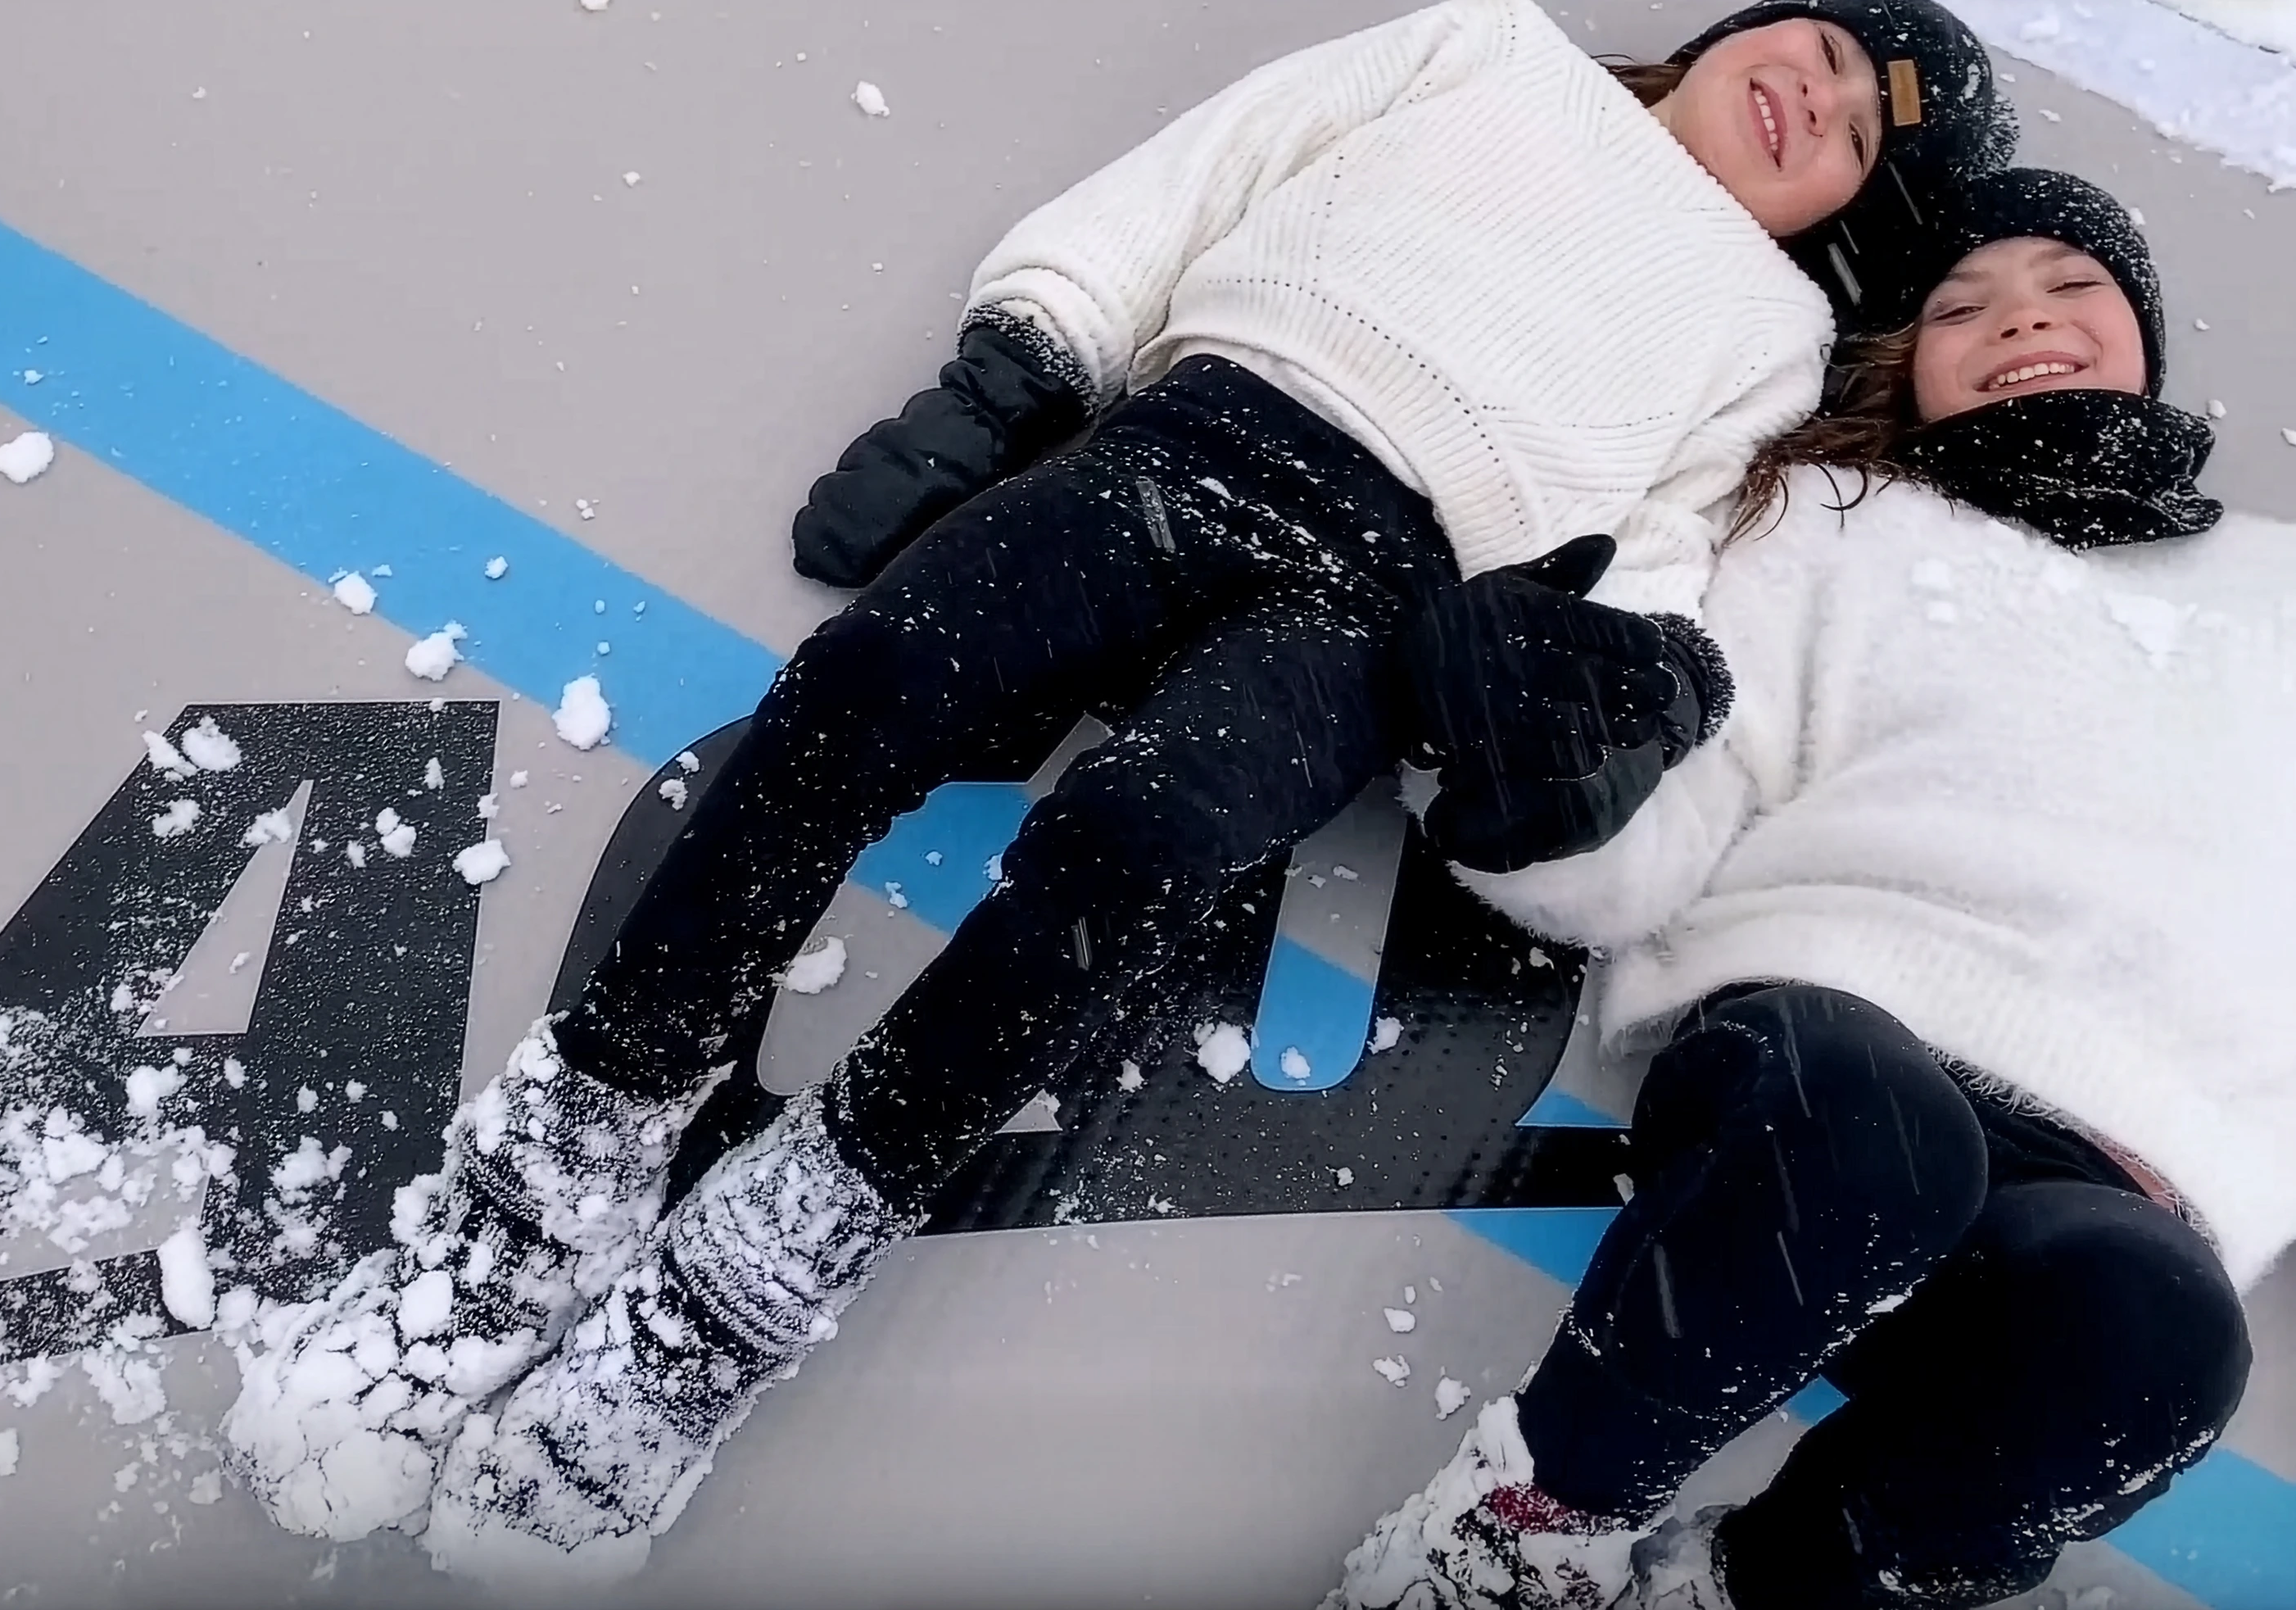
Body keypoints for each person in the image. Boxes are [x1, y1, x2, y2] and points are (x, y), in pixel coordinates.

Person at [221, 0, 2014, 1579]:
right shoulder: (1485, 49)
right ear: (1727, 33)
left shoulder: (1761, 330)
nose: (1818, 102)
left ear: (1836, 223)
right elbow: (1199, 174)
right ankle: (555, 1165)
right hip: (1196, 429)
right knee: (873, 678)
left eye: (1855, 140)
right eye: (1827, 51)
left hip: (1379, 604)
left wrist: (1606, 699)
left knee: (1148, 842)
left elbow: (1665, 564)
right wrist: (1020, 365)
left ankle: (743, 1282)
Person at [1334, 167, 2280, 1610]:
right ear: (1913, 360)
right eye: (1964, 304)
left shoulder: (2281, 592)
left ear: (2141, 329)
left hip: (2125, 1168)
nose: (2023, 316)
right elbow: (1679, 814)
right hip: (1823, 1074)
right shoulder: (1835, 520)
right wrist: (1534, 794)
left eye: (2073, 286)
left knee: (2155, 1334)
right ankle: (1515, 1539)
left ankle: (1746, 1590)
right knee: (1875, 1132)